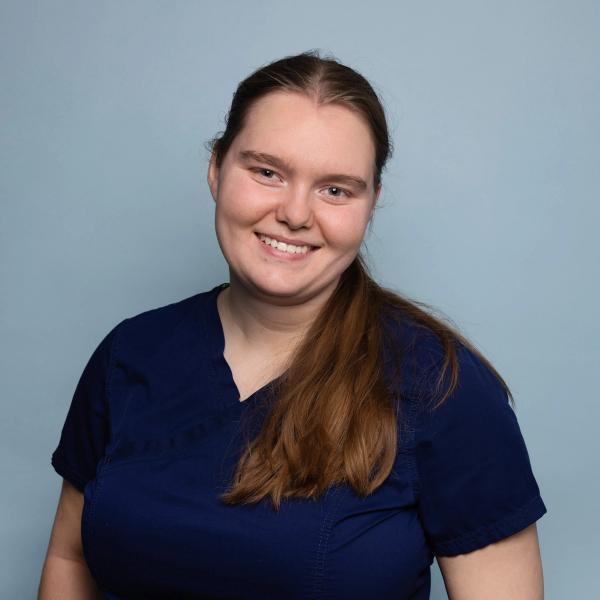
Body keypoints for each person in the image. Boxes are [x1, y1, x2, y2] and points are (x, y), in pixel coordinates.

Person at [38, 50, 547, 599]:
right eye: (267, 172)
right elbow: (70, 556)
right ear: (216, 169)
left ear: (371, 203)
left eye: (336, 189)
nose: (296, 214)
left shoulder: (442, 387)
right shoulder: (130, 354)